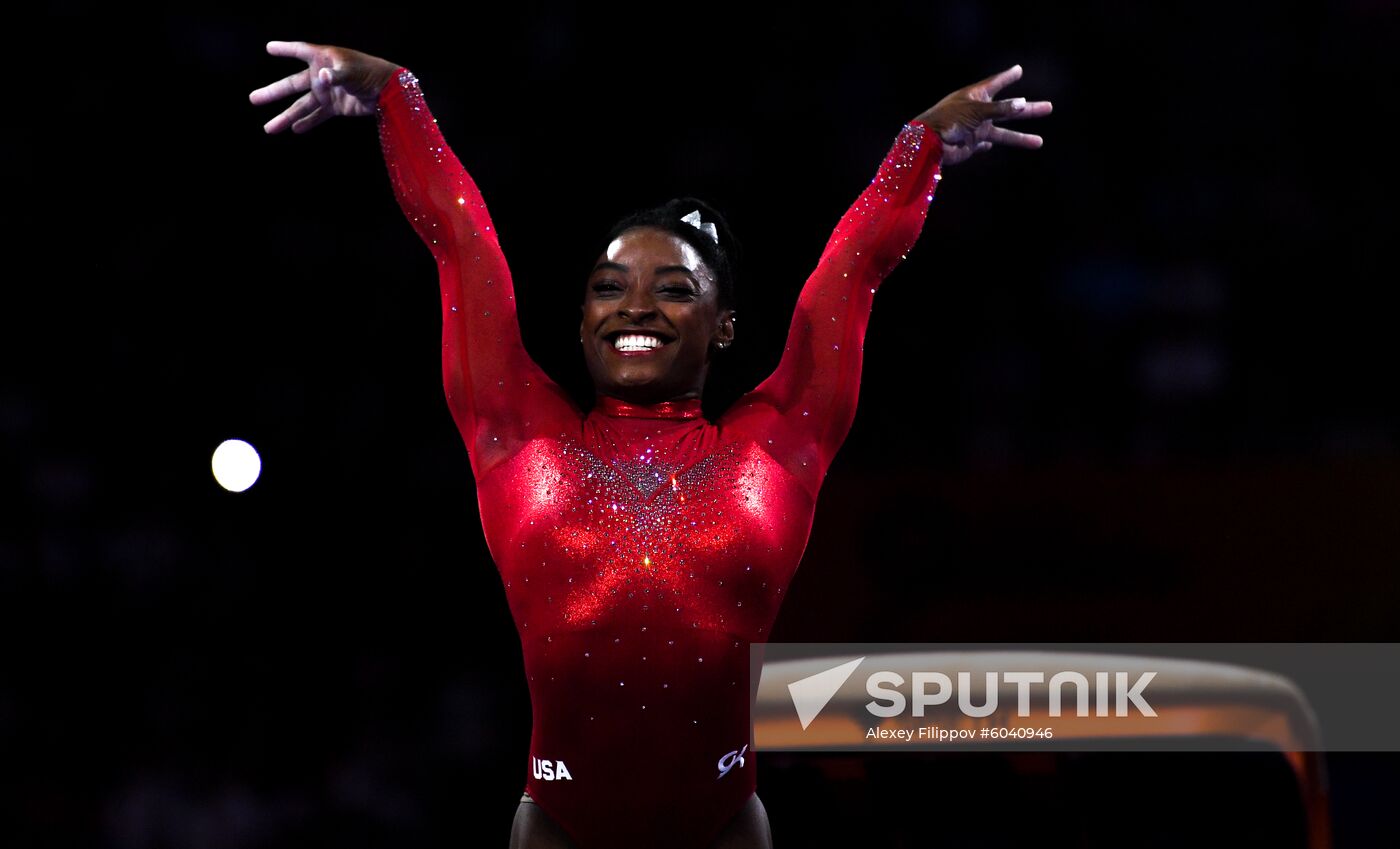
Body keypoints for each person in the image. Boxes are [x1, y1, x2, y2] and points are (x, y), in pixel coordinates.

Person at [250, 40, 1051, 849]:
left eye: (675, 290)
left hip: (723, 828)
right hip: (561, 825)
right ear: (582, 321)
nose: (636, 307)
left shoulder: (776, 448)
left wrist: (921, 148)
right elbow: (460, 242)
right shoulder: (517, 433)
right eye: (609, 288)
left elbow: (854, 270)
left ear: (725, 326)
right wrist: (395, 94)